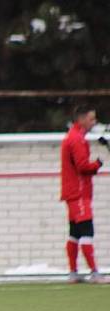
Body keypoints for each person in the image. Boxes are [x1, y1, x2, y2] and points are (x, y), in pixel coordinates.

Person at [61, 105, 105, 284]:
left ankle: (73, 273)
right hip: (79, 193)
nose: (93, 122)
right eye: (91, 119)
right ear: (81, 119)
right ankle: (94, 273)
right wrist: (98, 164)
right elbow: (82, 166)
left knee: (75, 233)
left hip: (73, 193)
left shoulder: (73, 137)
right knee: (87, 230)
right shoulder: (77, 139)